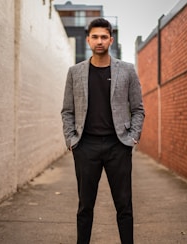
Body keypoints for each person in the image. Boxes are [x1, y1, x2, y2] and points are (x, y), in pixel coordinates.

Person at [61, 18, 145, 244]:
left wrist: (133, 136)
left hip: (118, 146)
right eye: (95, 37)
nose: (99, 41)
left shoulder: (126, 70)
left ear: (111, 40)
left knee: (124, 206)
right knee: (85, 207)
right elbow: (67, 110)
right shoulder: (75, 72)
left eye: (104, 37)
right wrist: (71, 140)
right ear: (88, 39)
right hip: (85, 147)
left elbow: (138, 108)